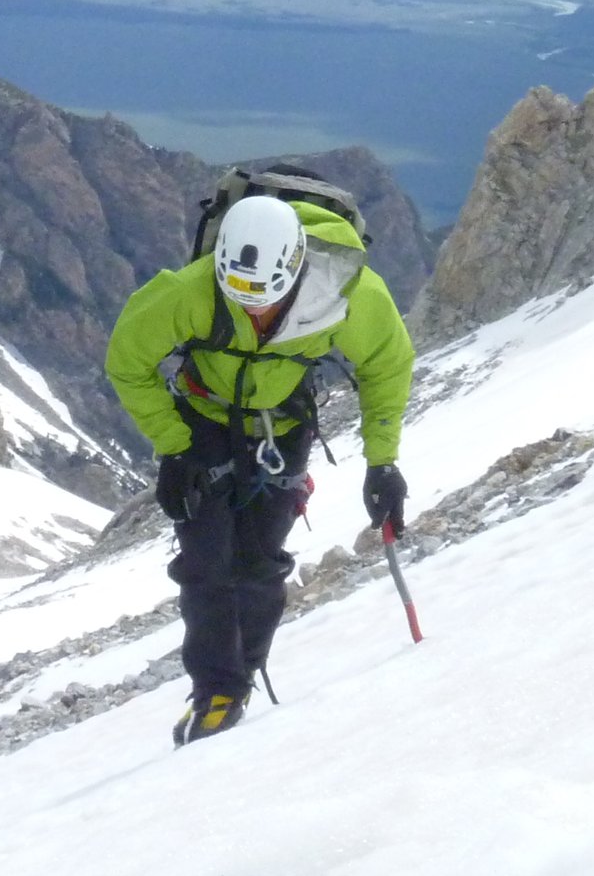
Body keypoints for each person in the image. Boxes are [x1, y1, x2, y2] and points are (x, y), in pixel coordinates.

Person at [104, 190, 414, 745]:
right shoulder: (190, 291)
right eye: (242, 302)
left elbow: (388, 364)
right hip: (203, 424)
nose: (254, 313)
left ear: (297, 271)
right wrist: (175, 449)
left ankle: (241, 674)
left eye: (267, 302)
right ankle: (217, 690)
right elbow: (127, 360)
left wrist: (382, 462)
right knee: (205, 559)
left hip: (283, 425)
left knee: (260, 558)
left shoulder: (347, 291)